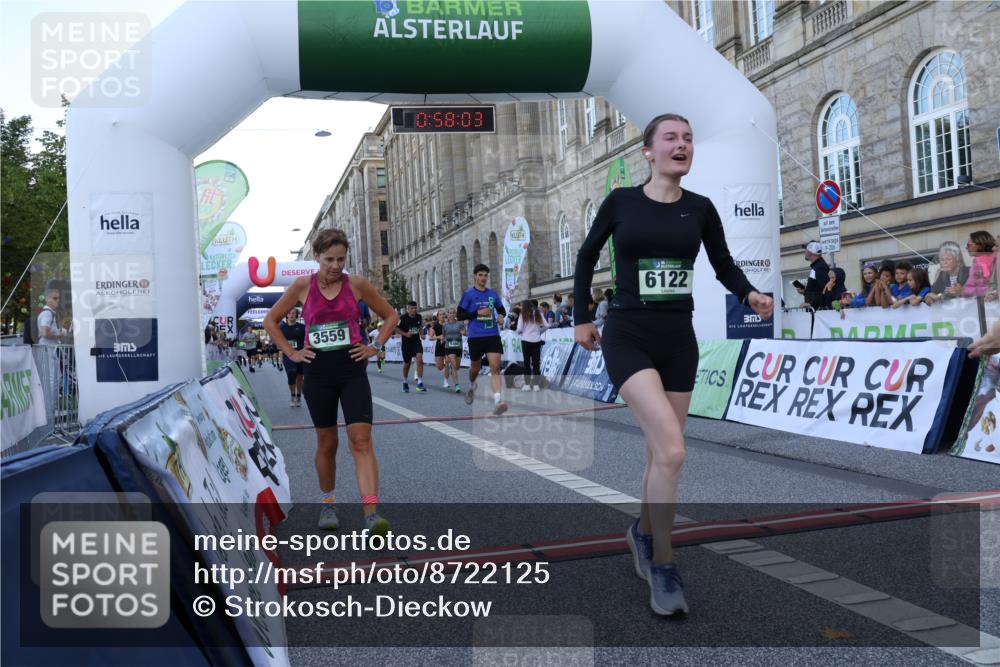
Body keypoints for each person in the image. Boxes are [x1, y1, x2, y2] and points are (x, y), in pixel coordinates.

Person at [573, 113, 773, 616]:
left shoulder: (700, 209)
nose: (681, 145)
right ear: (648, 151)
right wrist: (580, 317)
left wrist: (750, 293)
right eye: (671, 138)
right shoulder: (621, 202)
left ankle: (642, 533)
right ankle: (662, 563)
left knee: (659, 456)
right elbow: (585, 256)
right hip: (629, 335)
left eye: (687, 138)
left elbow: (723, 263)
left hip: (679, 340)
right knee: (674, 450)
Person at [263, 228, 399, 534]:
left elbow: (391, 316)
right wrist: (292, 353)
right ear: (317, 257)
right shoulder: (301, 286)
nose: (336, 266)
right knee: (327, 442)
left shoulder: (358, 284)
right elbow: (270, 321)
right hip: (318, 371)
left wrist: (375, 346)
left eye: (341, 259)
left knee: (361, 440)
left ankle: (371, 514)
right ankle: (328, 503)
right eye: (329, 260)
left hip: (352, 368)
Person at [457, 263, 509, 415]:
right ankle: (472, 384)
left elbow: (502, 310)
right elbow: (460, 315)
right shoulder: (468, 295)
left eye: (485, 275)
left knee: (495, 367)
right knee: (475, 367)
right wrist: (478, 313)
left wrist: (500, 317)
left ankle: (498, 400)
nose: (483, 278)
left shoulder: (492, 294)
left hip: (492, 335)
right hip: (476, 336)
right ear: (475, 276)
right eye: (480, 275)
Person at [515, 299, 545, 392]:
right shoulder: (538, 313)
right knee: (536, 363)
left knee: (527, 363)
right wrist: (539, 332)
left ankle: (527, 385)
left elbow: (519, 329)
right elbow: (547, 325)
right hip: (536, 340)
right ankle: (536, 385)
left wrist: (520, 333)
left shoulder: (522, 315)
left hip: (526, 341)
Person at [396, 302, 426, 393]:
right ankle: (405, 381)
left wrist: (422, 334)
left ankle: (420, 383)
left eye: (415, 308)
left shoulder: (419, 317)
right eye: (412, 308)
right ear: (408, 309)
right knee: (407, 364)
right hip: (406, 344)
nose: (414, 310)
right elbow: (396, 328)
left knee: (420, 359)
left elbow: (420, 326)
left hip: (416, 342)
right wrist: (405, 334)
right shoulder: (402, 318)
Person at [279, 308, 306, 407]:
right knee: (291, 374)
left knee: (300, 377)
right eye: (289, 313)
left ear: (296, 315)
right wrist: (280, 355)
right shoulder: (282, 328)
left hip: (300, 354)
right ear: (286, 315)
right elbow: (279, 342)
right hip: (288, 355)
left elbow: (307, 341)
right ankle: (292, 395)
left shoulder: (302, 327)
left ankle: (298, 396)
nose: (291, 315)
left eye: (293, 313)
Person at [963, 231, 997, 298]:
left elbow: (968, 289)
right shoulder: (976, 262)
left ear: (980, 244)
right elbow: (968, 287)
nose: (966, 248)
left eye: (969, 245)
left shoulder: (996, 259)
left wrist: (964, 291)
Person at [797, 242, 830, 309]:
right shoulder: (817, 267)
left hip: (819, 313)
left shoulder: (820, 267)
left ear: (810, 252)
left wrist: (811, 304)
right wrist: (805, 291)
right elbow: (817, 290)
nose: (805, 252)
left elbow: (825, 290)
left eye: (806, 250)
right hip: (816, 311)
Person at [429, 310, 455, 389]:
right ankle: (444, 364)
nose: (442, 316)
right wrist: (439, 337)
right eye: (440, 314)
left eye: (444, 314)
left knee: (447, 362)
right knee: (439, 367)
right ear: (437, 317)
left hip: (448, 346)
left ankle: (445, 381)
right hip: (439, 346)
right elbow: (430, 337)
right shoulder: (435, 326)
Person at [442, 309, 465, 394]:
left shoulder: (460, 324)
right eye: (450, 313)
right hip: (449, 347)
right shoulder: (445, 325)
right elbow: (444, 335)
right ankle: (457, 385)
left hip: (458, 347)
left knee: (457, 366)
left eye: (453, 313)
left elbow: (465, 333)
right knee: (454, 364)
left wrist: (463, 332)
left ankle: (452, 368)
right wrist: (442, 339)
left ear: (455, 314)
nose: (451, 315)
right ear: (447, 315)